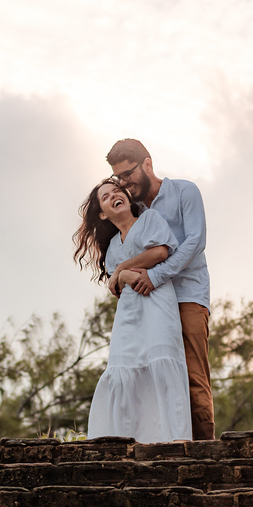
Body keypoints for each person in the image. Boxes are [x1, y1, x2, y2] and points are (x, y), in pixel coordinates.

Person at [105, 138, 214, 440]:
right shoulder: (133, 208)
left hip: (187, 295)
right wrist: (117, 275)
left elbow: (195, 241)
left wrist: (156, 275)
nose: (123, 182)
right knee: (151, 376)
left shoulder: (184, 191)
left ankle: (205, 456)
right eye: (118, 178)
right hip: (148, 303)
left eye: (127, 174)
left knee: (192, 377)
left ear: (147, 165)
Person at [73, 178, 193, 443]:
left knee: (161, 359)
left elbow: (160, 252)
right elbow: (117, 285)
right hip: (129, 311)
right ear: (103, 213)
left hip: (157, 300)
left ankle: (174, 439)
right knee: (123, 366)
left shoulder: (149, 219)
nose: (115, 194)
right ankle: (125, 440)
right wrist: (121, 274)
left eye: (117, 190)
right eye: (106, 196)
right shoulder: (114, 245)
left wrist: (121, 270)